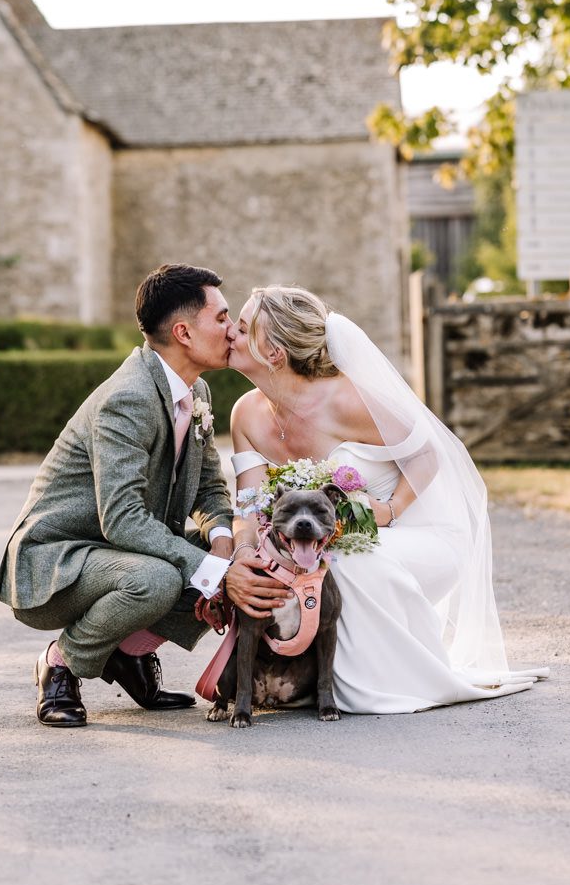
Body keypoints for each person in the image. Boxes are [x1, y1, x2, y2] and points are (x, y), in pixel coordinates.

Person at [228, 285, 548, 714]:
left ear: (274, 353)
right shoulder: (246, 414)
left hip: (422, 535)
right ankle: (321, 676)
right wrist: (244, 556)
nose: (230, 332)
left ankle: (380, 683)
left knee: (336, 559)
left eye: (242, 327)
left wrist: (390, 509)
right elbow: (248, 505)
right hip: (339, 542)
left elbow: (428, 453)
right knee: (315, 557)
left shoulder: (347, 399)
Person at [0, 264, 286, 727]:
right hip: (56, 561)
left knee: (244, 559)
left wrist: (225, 548)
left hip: (115, 553)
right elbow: (122, 518)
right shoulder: (128, 398)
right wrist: (216, 572)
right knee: (161, 579)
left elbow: (209, 488)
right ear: (184, 333)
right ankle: (60, 663)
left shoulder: (196, 390)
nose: (233, 330)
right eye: (222, 318)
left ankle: (127, 655)